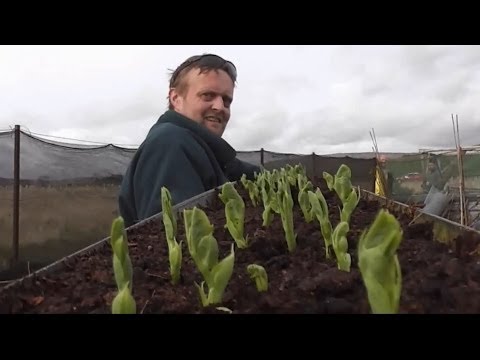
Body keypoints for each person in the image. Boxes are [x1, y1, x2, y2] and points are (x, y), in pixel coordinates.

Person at [118, 53, 261, 227]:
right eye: (207, 95)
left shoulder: (205, 150)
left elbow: (240, 170)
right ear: (176, 99)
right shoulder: (170, 144)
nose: (219, 107)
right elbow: (181, 239)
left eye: (226, 100)